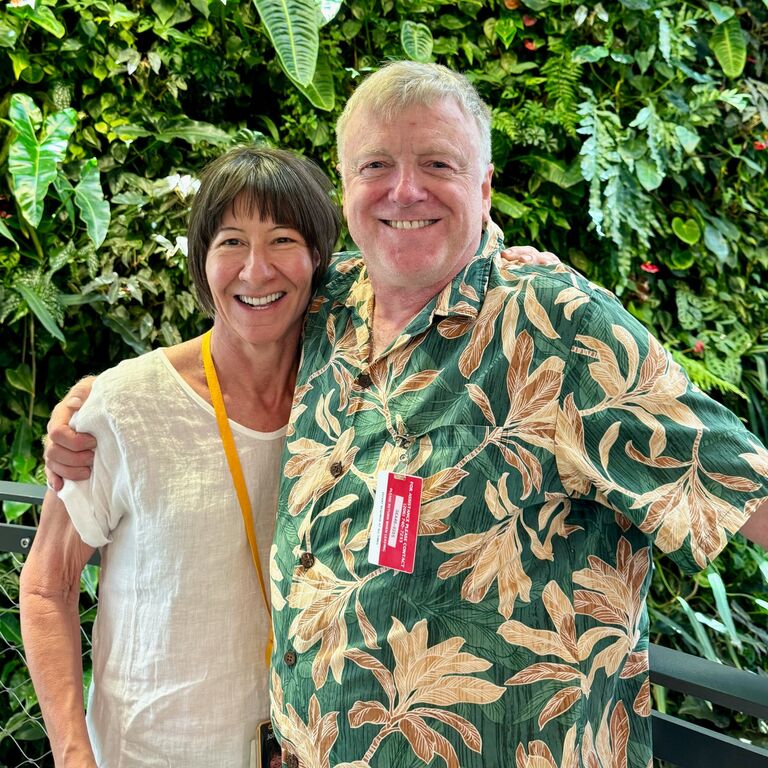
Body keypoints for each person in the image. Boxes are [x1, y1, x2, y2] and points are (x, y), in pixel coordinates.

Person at [43, 62, 768, 768]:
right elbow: (233, 339)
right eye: (376, 165)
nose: (405, 190)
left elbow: (746, 493)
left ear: (485, 188)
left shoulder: (558, 327)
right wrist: (95, 403)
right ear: (347, 189)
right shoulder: (330, 304)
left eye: (438, 165)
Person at [20, 145, 342, 768]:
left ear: (318, 261)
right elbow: (46, 584)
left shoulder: (350, 399)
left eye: (282, 239)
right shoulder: (127, 405)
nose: (255, 271)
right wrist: (73, 756)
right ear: (201, 262)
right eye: (230, 242)